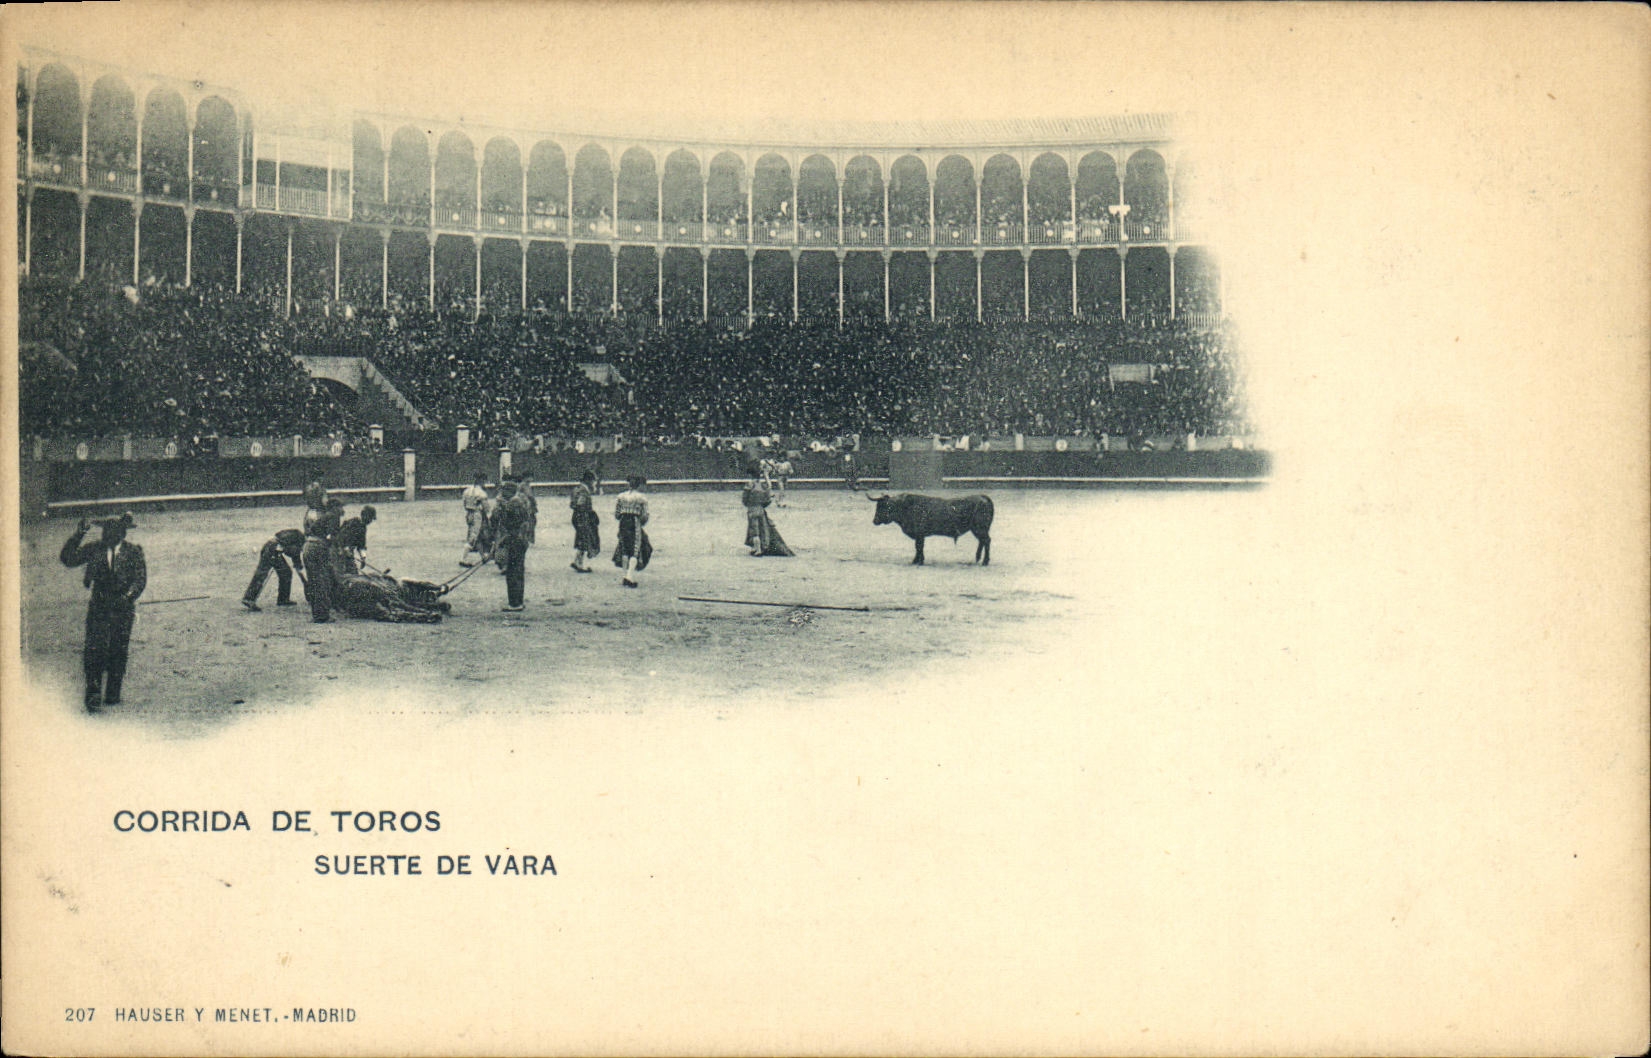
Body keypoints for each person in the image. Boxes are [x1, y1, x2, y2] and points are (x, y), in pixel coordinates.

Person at [59, 512, 147, 710]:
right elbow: (68, 558)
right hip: (99, 605)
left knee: (118, 647)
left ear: (122, 534)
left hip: (123, 607)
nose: (108, 535)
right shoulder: (94, 549)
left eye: (114, 531)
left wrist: (128, 597)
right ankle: (93, 690)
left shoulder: (133, 552)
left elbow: (140, 579)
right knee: (94, 647)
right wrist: (79, 533)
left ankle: (113, 691)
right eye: (106, 531)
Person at [492, 478, 534, 611]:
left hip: (514, 540)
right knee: (518, 571)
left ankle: (514, 603)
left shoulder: (512, 504)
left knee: (513, 572)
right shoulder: (519, 502)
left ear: (509, 491)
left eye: (504, 491)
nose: (501, 493)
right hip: (520, 540)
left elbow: (502, 521)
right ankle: (518, 602)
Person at [242, 527, 306, 611]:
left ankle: (283, 599)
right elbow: (293, 553)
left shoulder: (297, 535)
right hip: (272, 549)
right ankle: (249, 599)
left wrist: (298, 565)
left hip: (271, 547)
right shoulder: (299, 539)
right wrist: (298, 566)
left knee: (286, 572)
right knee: (262, 573)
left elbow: (293, 553)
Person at [301, 498, 344, 623]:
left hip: (309, 546)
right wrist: (340, 550)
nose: (343, 510)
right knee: (322, 582)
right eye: (341, 507)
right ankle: (322, 616)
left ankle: (318, 614)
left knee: (315, 581)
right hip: (318, 548)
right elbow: (331, 536)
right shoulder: (333, 516)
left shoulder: (324, 516)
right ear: (335, 508)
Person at [742, 469, 794, 557]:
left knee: (754, 531)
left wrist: (749, 504)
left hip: (752, 509)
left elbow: (744, 499)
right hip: (761, 510)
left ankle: (757, 550)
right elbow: (768, 500)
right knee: (763, 529)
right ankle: (762, 547)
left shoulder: (749, 485)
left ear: (751, 476)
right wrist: (762, 506)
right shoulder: (763, 486)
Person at [612, 476, 651, 588]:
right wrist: (640, 522)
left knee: (624, 548)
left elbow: (617, 514)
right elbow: (644, 516)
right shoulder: (642, 498)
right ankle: (629, 577)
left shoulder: (621, 496)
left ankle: (625, 576)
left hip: (623, 522)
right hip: (634, 522)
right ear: (638, 485)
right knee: (635, 549)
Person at [569, 469, 600, 572]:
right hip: (582, 516)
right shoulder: (583, 490)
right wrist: (588, 513)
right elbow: (580, 503)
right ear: (588, 480)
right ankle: (580, 565)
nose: (594, 483)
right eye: (593, 480)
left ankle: (576, 561)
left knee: (581, 538)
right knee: (584, 539)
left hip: (576, 515)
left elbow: (572, 504)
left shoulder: (576, 489)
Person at [332, 505, 376, 575]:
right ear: (364, 515)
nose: (370, 521)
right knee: (342, 572)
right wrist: (346, 549)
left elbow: (361, 545)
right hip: (338, 550)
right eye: (370, 518)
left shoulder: (363, 528)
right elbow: (341, 537)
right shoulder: (353, 523)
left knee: (353, 572)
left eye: (371, 519)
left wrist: (363, 558)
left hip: (348, 552)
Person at [460, 473, 489, 566]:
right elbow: (486, 508)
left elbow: (464, 504)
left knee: (477, 535)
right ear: (482, 481)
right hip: (477, 515)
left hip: (469, 514)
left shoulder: (467, 491)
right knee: (473, 536)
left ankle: (483, 556)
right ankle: (463, 559)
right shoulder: (481, 493)